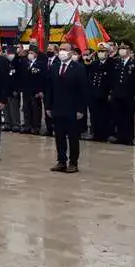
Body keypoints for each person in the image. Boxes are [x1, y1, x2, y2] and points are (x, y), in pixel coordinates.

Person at [45, 42, 89, 173]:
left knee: (73, 137)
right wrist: (48, 106)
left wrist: (81, 109)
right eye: (61, 49)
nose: (62, 52)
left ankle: (73, 163)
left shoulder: (79, 68)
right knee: (59, 137)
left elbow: (83, 90)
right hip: (57, 108)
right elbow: (50, 88)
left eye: (65, 49)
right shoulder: (54, 67)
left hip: (72, 109)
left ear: (71, 52)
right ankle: (61, 161)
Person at [110, 40, 135, 145]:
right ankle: (119, 136)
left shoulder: (134, 63)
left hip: (129, 94)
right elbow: (112, 78)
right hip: (117, 93)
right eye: (121, 48)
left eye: (125, 48)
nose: (122, 50)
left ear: (129, 50)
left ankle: (128, 137)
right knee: (118, 116)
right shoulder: (116, 62)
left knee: (128, 117)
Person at [20, 44, 46, 135]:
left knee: (36, 109)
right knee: (26, 108)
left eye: (31, 53)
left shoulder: (40, 64)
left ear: (36, 54)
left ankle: (36, 127)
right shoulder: (25, 63)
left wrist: (40, 90)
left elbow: (42, 78)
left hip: (35, 91)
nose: (30, 54)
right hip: (26, 90)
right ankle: (27, 126)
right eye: (29, 53)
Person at [2, 46, 23, 133]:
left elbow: (19, 78)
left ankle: (15, 124)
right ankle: (7, 123)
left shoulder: (18, 62)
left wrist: (16, 89)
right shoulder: (5, 62)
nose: (8, 55)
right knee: (6, 107)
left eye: (10, 53)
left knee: (14, 107)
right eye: (7, 53)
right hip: (6, 89)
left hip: (14, 89)